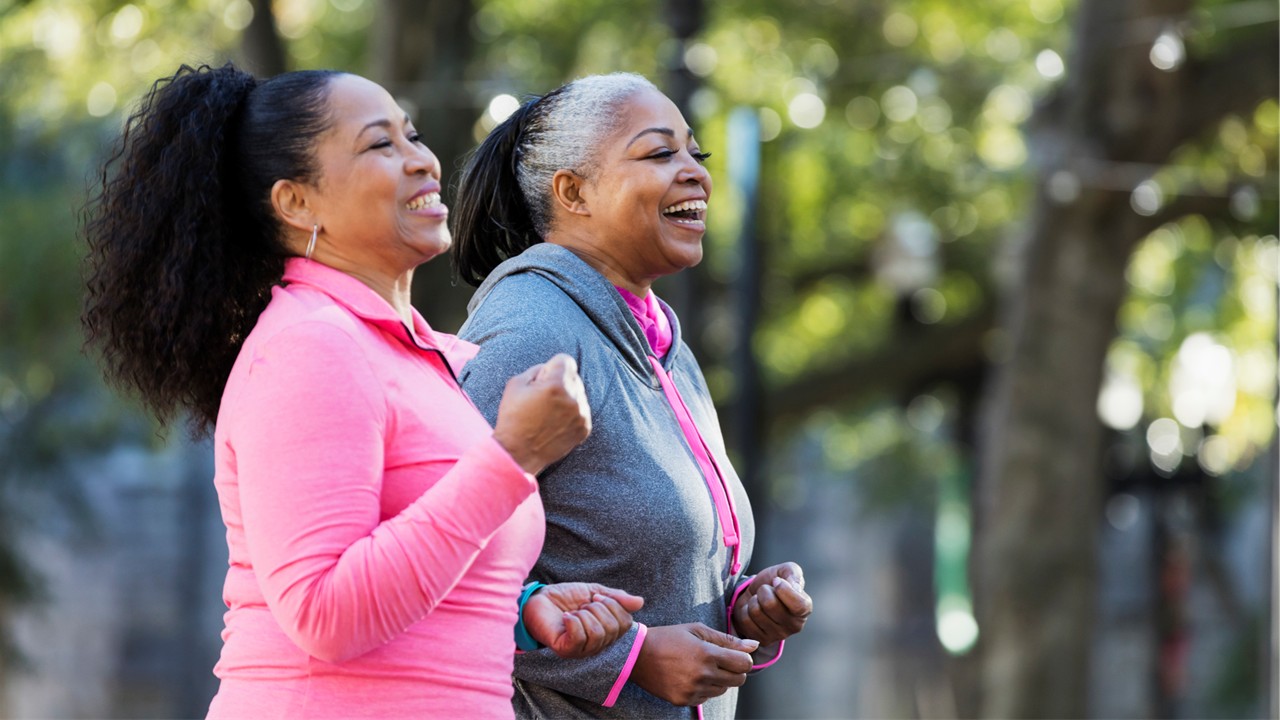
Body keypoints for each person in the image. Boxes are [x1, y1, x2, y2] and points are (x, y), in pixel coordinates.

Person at [81, 63, 644, 719]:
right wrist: (513, 457)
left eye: (413, 135)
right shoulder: (313, 346)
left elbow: (406, 570)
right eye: (382, 145)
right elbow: (325, 613)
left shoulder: (406, 354)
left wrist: (515, 608)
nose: (423, 161)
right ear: (297, 202)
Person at [450, 73, 814, 719]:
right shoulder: (532, 330)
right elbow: (440, 564)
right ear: (574, 192)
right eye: (658, 154)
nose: (695, 174)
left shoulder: (660, 339)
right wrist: (629, 660)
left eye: (695, 155)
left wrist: (739, 605)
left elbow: (639, 554)